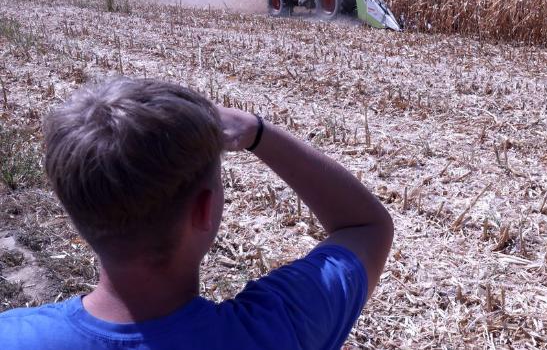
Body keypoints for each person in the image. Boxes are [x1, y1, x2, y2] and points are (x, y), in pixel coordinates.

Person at [0, 77, 394, 349]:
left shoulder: (13, 338)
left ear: (75, 212)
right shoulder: (277, 331)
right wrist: (258, 132)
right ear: (205, 209)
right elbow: (365, 226)